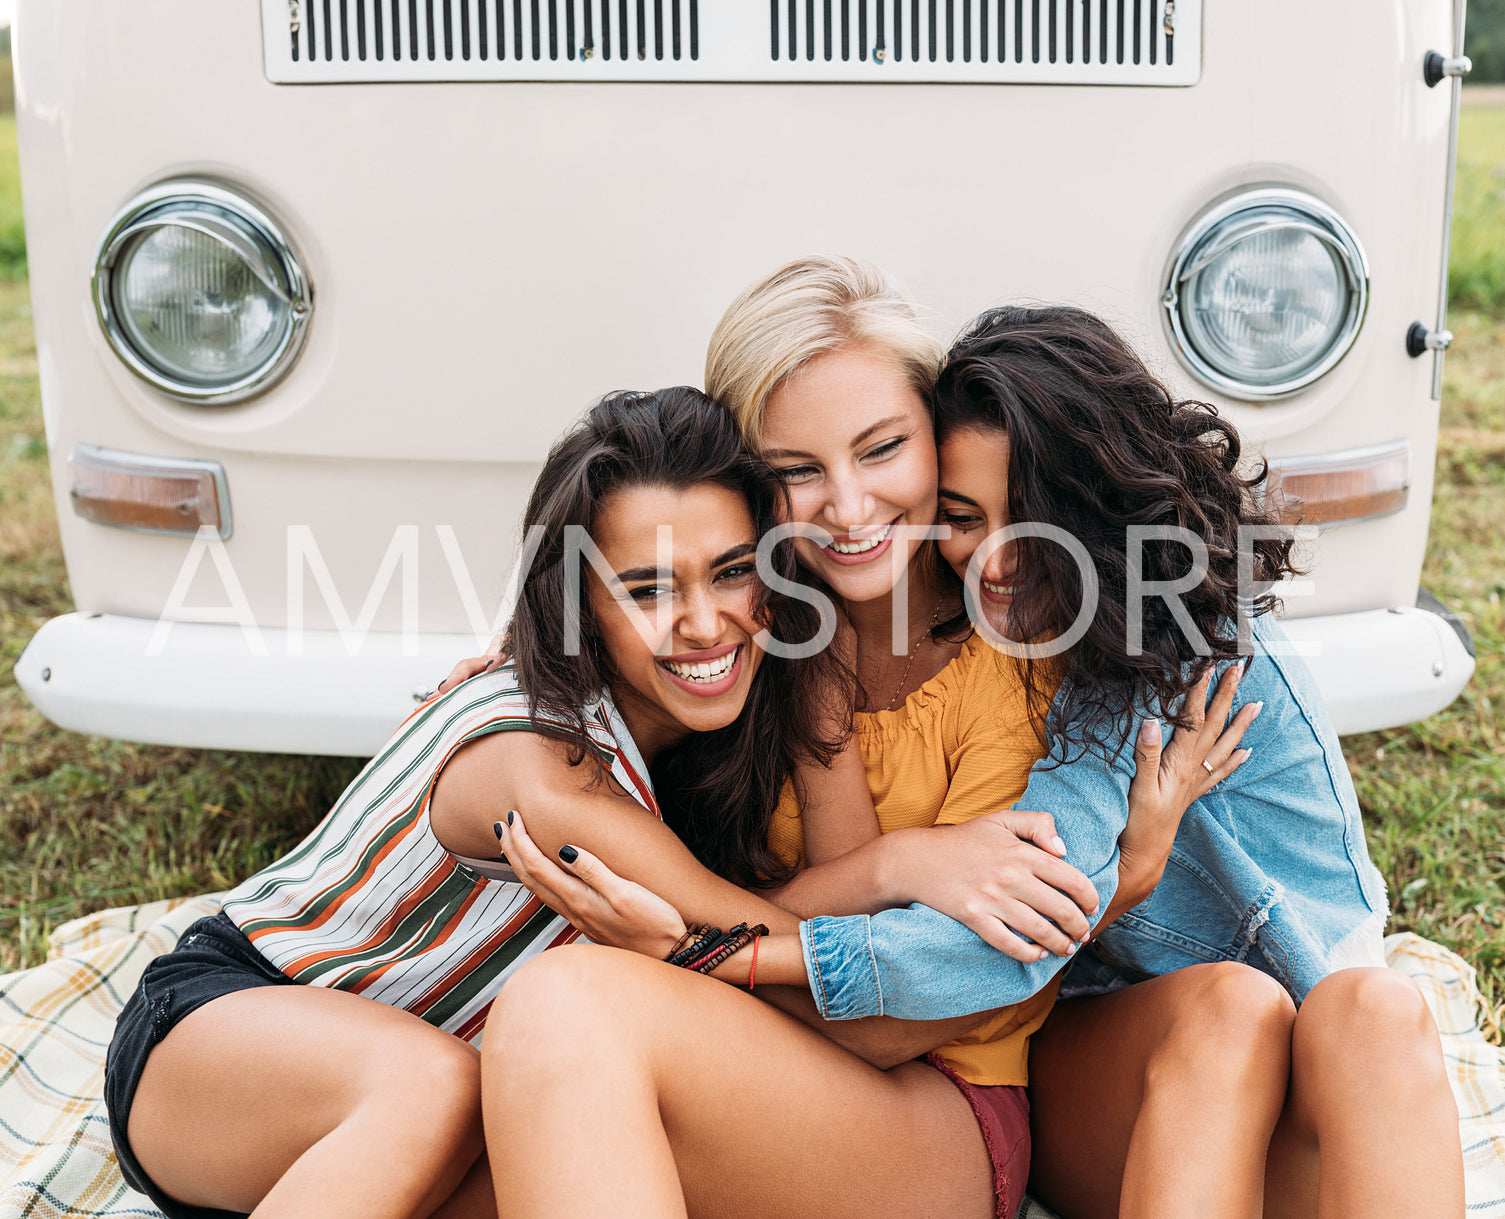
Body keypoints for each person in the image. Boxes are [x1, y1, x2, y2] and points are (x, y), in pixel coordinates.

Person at [489, 267, 1461, 1218]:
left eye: (880, 449)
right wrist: (523, 650)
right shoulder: (745, 632)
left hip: (939, 1085)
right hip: (773, 1062)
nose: (848, 503)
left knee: (567, 1006)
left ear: (932, 438)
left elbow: (914, 1003)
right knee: (525, 1082)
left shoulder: (1028, 653)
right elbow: (611, 603)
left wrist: (705, 945)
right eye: (793, 470)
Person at [109, 386, 1087, 1219]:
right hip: (225, 1023)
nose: (703, 622)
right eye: (647, 588)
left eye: (731, 571)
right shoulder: (543, 770)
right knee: (436, 1085)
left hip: (437, 1072)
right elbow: (780, 964)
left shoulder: (713, 723)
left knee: (563, 1134)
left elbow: (756, 961)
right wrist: (900, 866)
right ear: (578, 601)